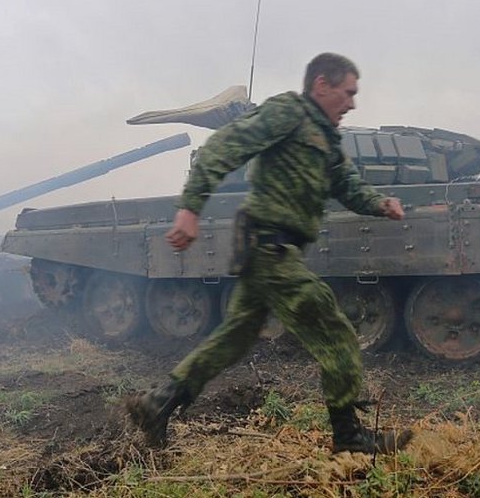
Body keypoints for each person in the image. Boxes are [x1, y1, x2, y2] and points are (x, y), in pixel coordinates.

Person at [126, 53, 412, 454]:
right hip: (269, 249)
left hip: (270, 249)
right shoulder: (288, 113)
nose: (352, 103)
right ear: (321, 85)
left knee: (233, 339)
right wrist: (191, 208)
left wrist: (380, 204)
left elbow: (347, 185)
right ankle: (349, 438)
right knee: (337, 334)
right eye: (347, 92)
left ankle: (158, 404)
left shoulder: (326, 140)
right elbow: (226, 144)